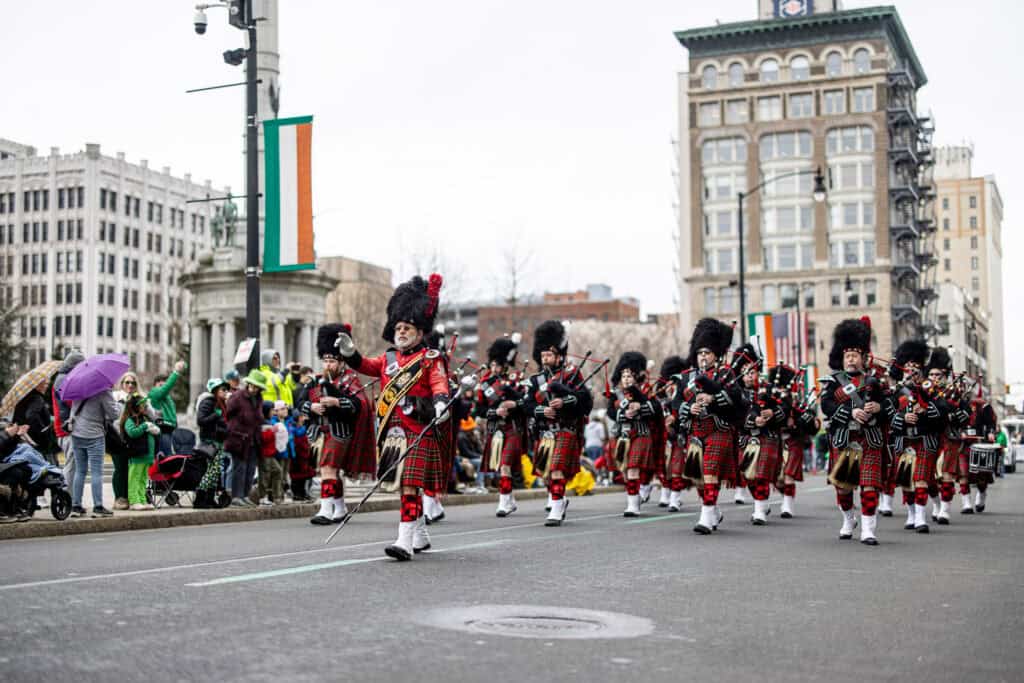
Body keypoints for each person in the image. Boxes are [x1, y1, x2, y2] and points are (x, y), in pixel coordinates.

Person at [339, 273, 450, 560]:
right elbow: (363, 364)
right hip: (392, 431)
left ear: (420, 331)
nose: (401, 331)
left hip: (418, 426)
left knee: (409, 484)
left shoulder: (430, 358)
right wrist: (350, 353)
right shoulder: (387, 360)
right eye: (398, 327)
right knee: (404, 484)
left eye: (407, 327)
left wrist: (441, 404)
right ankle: (421, 534)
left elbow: (439, 383)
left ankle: (404, 541)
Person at [820, 317, 894, 545]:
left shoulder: (876, 382)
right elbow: (826, 405)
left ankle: (869, 529)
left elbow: (891, 408)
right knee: (843, 489)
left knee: (869, 486)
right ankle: (848, 519)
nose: (851, 359)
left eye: (855, 355)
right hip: (844, 438)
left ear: (863, 358)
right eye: (847, 356)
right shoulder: (833, 382)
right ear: (842, 358)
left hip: (869, 438)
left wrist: (879, 407)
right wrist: (850, 413)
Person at [672, 318, 745, 535]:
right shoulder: (685, 378)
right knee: (699, 477)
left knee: (711, 472)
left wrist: (713, 399)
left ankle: (705, 516)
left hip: (719, 429)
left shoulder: (726, 374)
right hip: (695, 431)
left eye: (708, 352)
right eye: (700, 352)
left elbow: (737, 399)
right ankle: (713, 510)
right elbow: (676, 403)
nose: (703, 356)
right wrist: (688, 408)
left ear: (716, 354)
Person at [304, 323, 376, 525]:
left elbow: (359, 404)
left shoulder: (349, 380)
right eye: (325, 360)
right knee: (331, 470)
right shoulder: (314, 382)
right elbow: (300, 404)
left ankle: (325, 510)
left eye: (332, 361)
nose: (327, 365)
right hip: (318, 432)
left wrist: (337, 401)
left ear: (341, 362)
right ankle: (340, 508)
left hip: (339, 431)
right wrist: (311, 407)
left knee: (328, 468)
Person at [524, 320, 593, 527]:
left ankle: (555, 509)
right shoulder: (535, 381)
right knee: (547, 475)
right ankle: (559, 500)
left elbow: (585, 399)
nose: (545, 359)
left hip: (565, 429)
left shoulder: (572, 375)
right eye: (543, 355)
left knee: (556, 470)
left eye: (549, 355)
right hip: (545, 432)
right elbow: (526, 405)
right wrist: (541, 410)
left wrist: (564, 401)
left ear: (559, 355)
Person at [890, 339, 945, 534]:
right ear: (902, 369)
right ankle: (911, 514)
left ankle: (921, 517)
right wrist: (903, 417)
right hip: (904, 440)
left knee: (921, 479)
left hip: (924, 439)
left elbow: (942, 411)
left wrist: (926, 409)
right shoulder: (894, 392)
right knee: (906, 480)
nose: (911, 371)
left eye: (915, 367)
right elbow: (887, 416)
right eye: (908, 367)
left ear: (921, 370)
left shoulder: (930, 389)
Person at [476, 334, 528, 517]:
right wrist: (494, 412)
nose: (494, 368)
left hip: (513, 427)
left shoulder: (517, 379)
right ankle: (509, 499)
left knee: (505, 465)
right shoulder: (485, 383)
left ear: (505, 364)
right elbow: (478, 410)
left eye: (497, 365)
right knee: (500, 467)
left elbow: (527, 404)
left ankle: (503, 502)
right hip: (495, 429)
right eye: (492, 365)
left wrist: (514, 405)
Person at [608, 352, 663, 518]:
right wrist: (623, 415)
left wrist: (640, 408)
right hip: (623, 435)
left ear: (636, 377)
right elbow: (611, 412)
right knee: (625, 470)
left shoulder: (646, 393)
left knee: (633, 469)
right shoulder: (615, 394)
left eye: (630, 375)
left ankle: (632, 505)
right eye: (623, 375)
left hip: (641, 433)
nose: (626, 379)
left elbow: (656, 410)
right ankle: (635, 497)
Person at [68, 383, 120, 517]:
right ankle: (98, 507)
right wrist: (118, 405)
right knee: (97, 472)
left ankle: (76, 506)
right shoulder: (103, 389)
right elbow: (114, 414)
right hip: (94, 435)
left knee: (80, 470)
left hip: (76, 433)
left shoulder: (78, 386)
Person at [224, 370, 266, 507]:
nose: (253, 388)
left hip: (253, 438)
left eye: (256, 386)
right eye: (252, 385)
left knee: (251, 468)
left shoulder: (259, 399)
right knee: (239, 468)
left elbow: (259, 417)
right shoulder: (237, 397)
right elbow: (228, 414)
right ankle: (237, 496)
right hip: (239, 438)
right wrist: (234, 428)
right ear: (248, 384)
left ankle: (245, 494)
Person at [659, 355, 691, 512]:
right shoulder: (662, 398)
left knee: (677, 468)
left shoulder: (683, 394)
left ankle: (675, 499)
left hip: (679, 436)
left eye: (673, 383)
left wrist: (676, 422)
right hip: (665, 438)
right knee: (664, 468)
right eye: (668, 382)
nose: (670, 386)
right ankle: (666, 494)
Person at [51, 349, 85, 496]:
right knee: (71, 466)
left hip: (65, 428)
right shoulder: (64, 380)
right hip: (67, 430)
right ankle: (65, 498)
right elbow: (72, 402)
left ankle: (70, 499)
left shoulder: (62, 378)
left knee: (73, 465)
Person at [194, 378, 230, 508]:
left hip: (219, 441)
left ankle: (209, 499)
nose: (226, 392)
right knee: (212, 471)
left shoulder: (221, 403)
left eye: (226, 389)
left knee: (216, 472)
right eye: (223, 389)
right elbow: (201, 420)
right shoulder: (208, 402)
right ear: (215, 390)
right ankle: (199, 498)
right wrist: (215, 415)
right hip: (210, 441)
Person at [119, 395, 158, 511]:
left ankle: (142, 500)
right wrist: (144, 427)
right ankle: (134, 501)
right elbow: (132, 432)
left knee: (143, 479)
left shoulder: (145, 419)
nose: (144, 406)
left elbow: (151, 433)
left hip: (147, 456)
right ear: (135, 407)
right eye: (142, 404)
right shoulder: (129, 420)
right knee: (134, 479)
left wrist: (155, 430)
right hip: (137, 455)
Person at [148, 361, 186, 458]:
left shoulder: (168, 399)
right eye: (159, 384)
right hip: (162, 432)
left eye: (164, 383)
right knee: (164, 459)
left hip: (171, 431)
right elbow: (164, 389)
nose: (162, 385)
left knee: (169, 459)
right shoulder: (154, 393)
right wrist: (176, 372)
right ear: (154, 385)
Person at [257, 401, 285, 506]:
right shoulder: (262, 422)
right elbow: (263, 438)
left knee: (278, 471)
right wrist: (272, 431)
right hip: (264, 453)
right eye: (272, 409)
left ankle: (275, 496)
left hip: (270, 453)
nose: (274, 412)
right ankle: (262, 497)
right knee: (264, 475)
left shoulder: (269, 421)